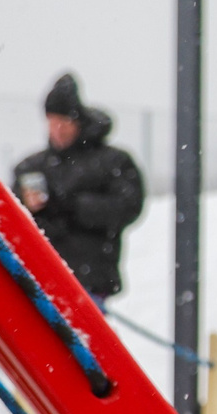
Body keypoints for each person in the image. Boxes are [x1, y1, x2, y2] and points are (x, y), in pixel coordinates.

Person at [11, 71, 144, 301]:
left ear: (78, 122)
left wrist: (72, 206)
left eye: (64, 122)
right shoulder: (31, 167)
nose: (58, 129)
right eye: (52, 122)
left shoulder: (113, 162)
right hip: (38, 281)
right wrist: (29, 206)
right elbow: (9, 215)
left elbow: (127, 206)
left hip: (89, 282)